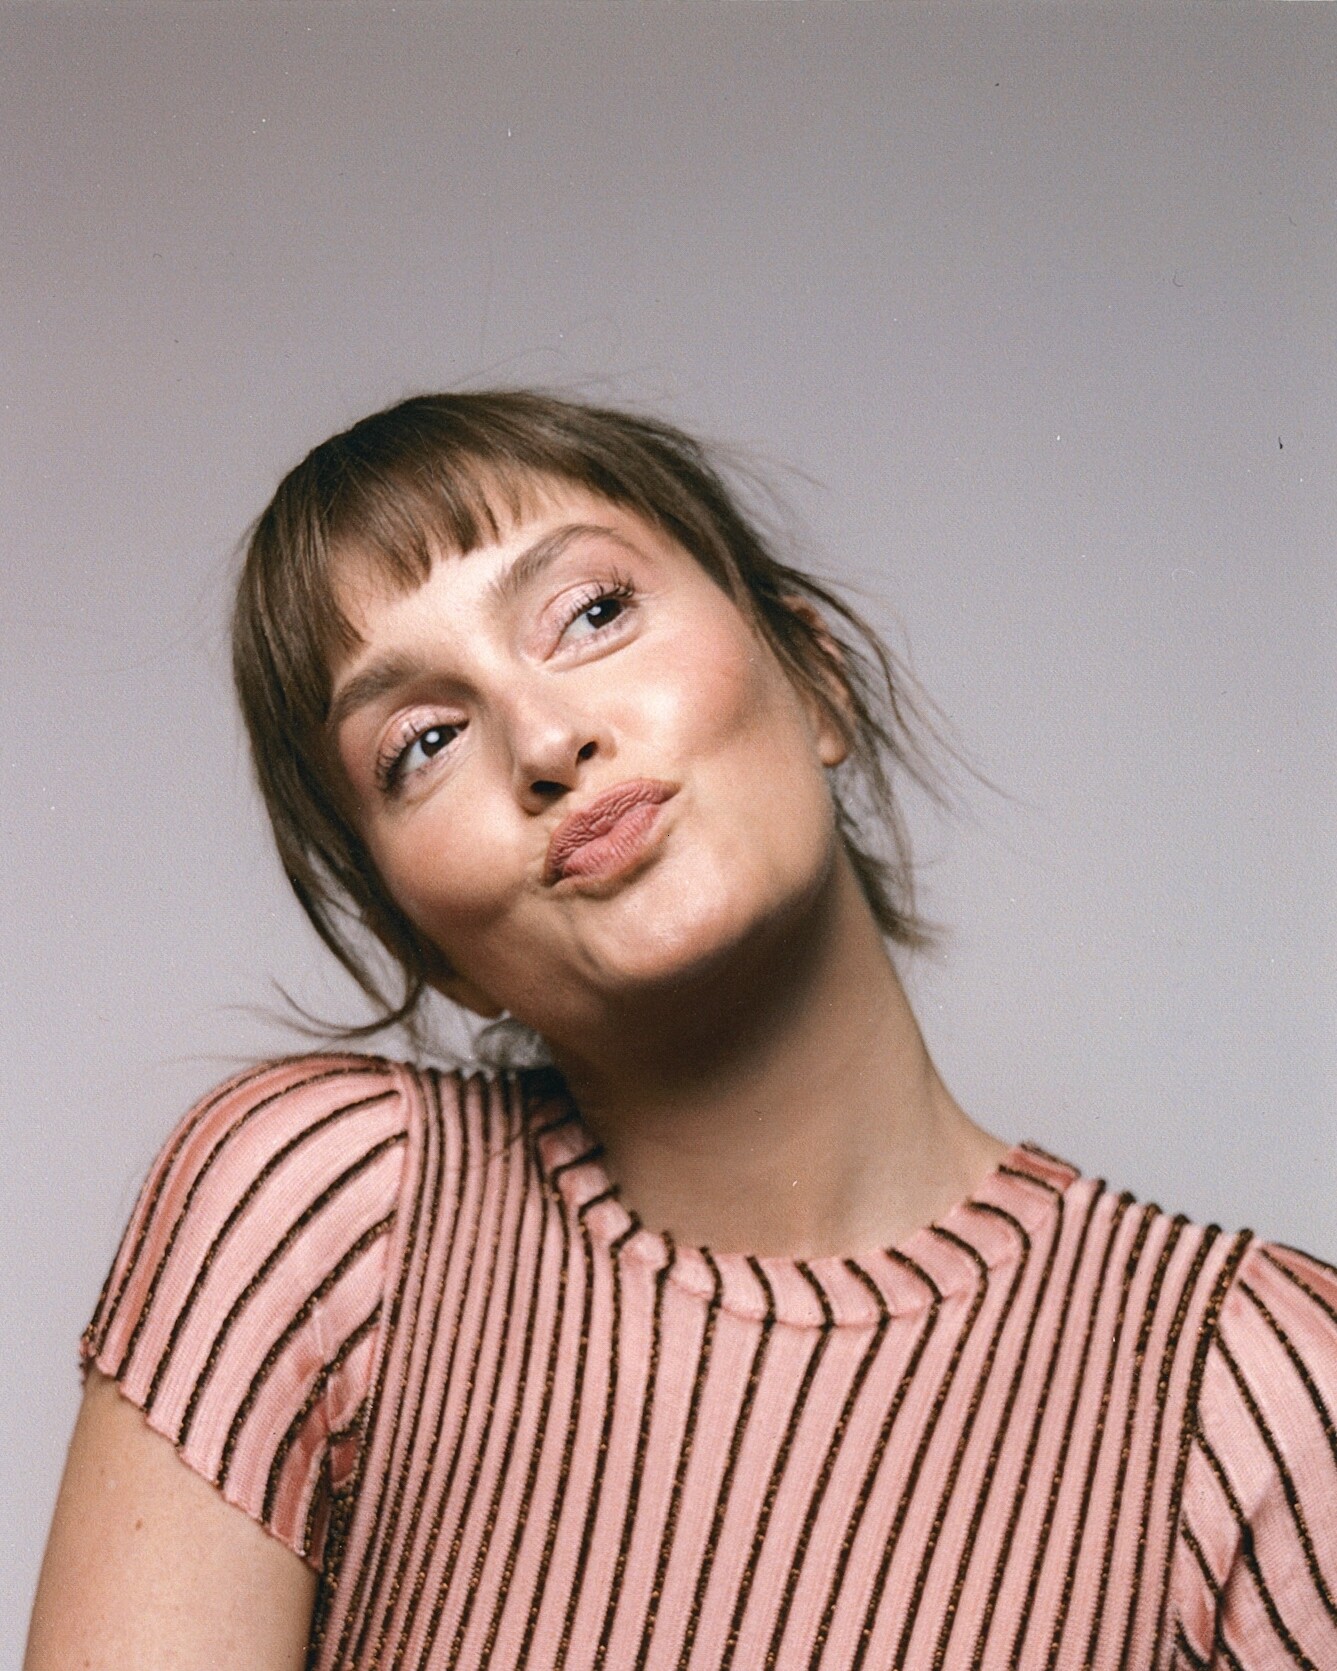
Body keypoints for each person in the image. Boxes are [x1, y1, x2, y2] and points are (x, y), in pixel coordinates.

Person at [26, 393, 1337, 1669]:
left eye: (592, 613)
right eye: (422, 741)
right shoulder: (327, 1217)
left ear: (814, 680)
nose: (545, 740)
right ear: (422, 946)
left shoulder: (1256, 1391)